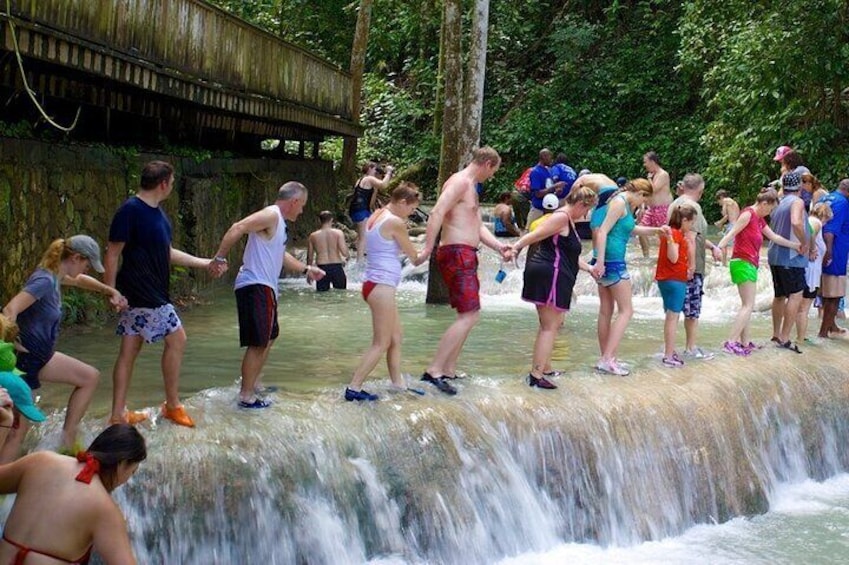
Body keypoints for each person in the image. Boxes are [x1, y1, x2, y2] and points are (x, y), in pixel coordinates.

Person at [105, 160, 219, 428]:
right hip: (143, 291)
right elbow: (112, 252)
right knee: (178, 339)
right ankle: (172, 405)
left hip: (149, 290)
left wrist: (204, 262)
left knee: (130, 350)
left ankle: (118, 414)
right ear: (164, 183)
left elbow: (166, 252)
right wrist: (110, 291)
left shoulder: (158, 214)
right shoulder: (130, 210)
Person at [1, 236, 126, 461]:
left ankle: (67, 438)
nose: (87, 269)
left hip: (42, 357)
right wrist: (11, 342)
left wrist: (110, 291)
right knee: (17, 431)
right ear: (76, 257)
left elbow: (80, 281)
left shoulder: (56, 276)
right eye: (87, 264)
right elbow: (10, 309)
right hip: (24, 363)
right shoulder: (44, 281)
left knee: (89, 377)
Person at [211, 181, 325, 409]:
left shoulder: (278, 223)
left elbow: (280, 255)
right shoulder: (271, 215)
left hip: (264, 286)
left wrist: (306, 269)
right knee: (259, 342)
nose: (302, 210)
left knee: (270, 336)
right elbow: (238, 227)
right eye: (301, 205)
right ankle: (246, 395)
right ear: (293, 202)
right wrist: (220, 257)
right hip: (256, 284)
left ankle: (254, 383)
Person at [420, 146, 511, 394]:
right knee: (469, 315)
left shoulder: (470, 186)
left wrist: (499, 246)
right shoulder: (460, 182)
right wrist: (428, 247)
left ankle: (448, 369)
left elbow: (477, 225)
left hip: (465, 253)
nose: (491, 177)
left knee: (470, 314)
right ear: (487, 164)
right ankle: (434, 371)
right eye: (493, 171)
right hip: (457, 253)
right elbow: (437, 211)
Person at [0, 423, 146, 564]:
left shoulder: (40, 460)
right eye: (131, 472)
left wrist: (4, 425)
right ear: (122, 464)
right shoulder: (104, 509)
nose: (126, 480)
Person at [346, 183, 428, 401]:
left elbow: (388, 245)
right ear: (402, 202)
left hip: (374, 283)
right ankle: (354, 388)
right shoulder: (394, 221)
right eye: (411, 209)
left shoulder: (378, 214)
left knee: (396, 336)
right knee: (381, 342)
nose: (411, 214)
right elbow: (415, 258)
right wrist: (431, 245)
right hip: (381, 285)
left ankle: (397, 384)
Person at [511, 187, 598, 389]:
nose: (585, 215)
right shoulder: (561, 217)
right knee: (549, 327)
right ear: (579, 204)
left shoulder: (568, 220)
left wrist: (590, 269)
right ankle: (536, 375)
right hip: (550, 273)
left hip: (554, 272)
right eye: (586, 210)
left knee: (553, 324)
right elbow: (535, 235)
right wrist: (516, 247)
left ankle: (546, 367)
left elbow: (570, 255)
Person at [591, 179, 669, 376]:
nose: (641, 204)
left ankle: (606, 358)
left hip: (605, 260)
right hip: (612, 261)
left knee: (606, 311)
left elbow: (630, 229)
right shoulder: (619, 203)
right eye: (643, 199)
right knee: (627, 311)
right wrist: (600, 262)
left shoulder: (622, 203)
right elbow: (602, 232)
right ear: (639, 193)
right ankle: (608, 358)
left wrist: (656, 230)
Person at [717, 189, 801, 355]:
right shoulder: (748, 214)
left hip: (749, 263)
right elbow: (732, 232)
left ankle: (745, 342)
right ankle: (731, 342)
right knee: (748, 305)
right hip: (742, 262)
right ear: (764, 204)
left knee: (747, 305)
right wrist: (718, 247)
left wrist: (795, 246)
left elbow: (775, 237)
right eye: (770, 209)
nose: (770, 213)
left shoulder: (759, 219)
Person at [668, 174, 723, 360]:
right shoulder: (694, 208)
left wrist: (712, 246)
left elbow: (689, 235)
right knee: (692, 312)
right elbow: (691, 239)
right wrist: (691, 267)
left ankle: (670, 351)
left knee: (674, 310)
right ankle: (691, 348)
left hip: (673, 266)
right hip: (690, 268)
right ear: (700, 191)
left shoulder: (674, 204)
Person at [767, 170, 809, 353]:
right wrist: (804, 242)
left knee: (779, 295)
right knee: (796, 294)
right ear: (800, 187)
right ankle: (785, 338)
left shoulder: (779, 202)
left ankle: (776, 334)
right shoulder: (797, 201)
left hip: (774, 255)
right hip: (791, 257)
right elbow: (796, 222)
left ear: (784, 187)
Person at [655, 204, 697, 367]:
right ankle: (668, 355)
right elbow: (673, 257)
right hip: (675, 279)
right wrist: (675, 240)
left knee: (669, 316)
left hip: (664, 279)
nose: (692, 226)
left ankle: (669, 350)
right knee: (673, 317)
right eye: (691, 222)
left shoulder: (670, 232)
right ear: (684, 220)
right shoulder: (676, 234)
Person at [797, 201, 832, 343]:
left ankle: (799, 337)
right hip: (810, 272)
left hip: (808, 270)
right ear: (825, 215)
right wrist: (812, 249)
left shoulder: (811, 220)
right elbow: (810, 232)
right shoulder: (816, 222)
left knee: (801, 306)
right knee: (803, 308)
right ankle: (799, 339)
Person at [818, 179, 849, 338]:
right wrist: (829, 252)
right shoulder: (843, 203)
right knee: (835, 295)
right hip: (835, 253)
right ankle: (824, 332)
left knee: (825, 291)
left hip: (821, 249)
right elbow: (830, 230)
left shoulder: (826, 198)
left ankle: (832, 325)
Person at [350, 162, 394, 262]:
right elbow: (384, 185)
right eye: (375, 170)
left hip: (360, 210)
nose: (376, 172)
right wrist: (389, 172)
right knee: (363, 237)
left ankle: (365, 254)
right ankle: (359, 262)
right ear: (370, 168)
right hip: (360, 210)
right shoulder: (368, 178)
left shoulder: (361, 180)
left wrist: (375, 189)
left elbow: (371, 203)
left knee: (368, 232)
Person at [638, 151, 673, 257]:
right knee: (640, 230)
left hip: (662, 209)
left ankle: (667, 256)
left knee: (664, 234)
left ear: (652, 161)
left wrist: (649, 179)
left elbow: (653, 190)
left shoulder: (663, 174)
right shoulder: (654, 175)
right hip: (651, 209)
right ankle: (646, 256)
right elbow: (647, 194)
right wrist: (642, 206)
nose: (644, 165)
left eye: (645, 162)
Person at [307, 211, 349, 292]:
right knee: (341, 294)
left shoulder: (313, 236)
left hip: (321, 268)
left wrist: (308, 271)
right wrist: (348, 257)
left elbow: (310, 257)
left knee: (322, 296)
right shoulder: (338, 233)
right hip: (336, 267)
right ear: (331, 220)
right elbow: (344, 252)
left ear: (319, 221)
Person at [526, 149, 565, 227]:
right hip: (538, 209)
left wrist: (557, 191)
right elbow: (537, 194)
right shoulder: (535, 172)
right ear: (544, 157)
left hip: (549, 210)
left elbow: (548, 188)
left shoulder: (549, 171)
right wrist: (554, 186)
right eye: (550, 157)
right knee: (530, 233)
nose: (552, 159)